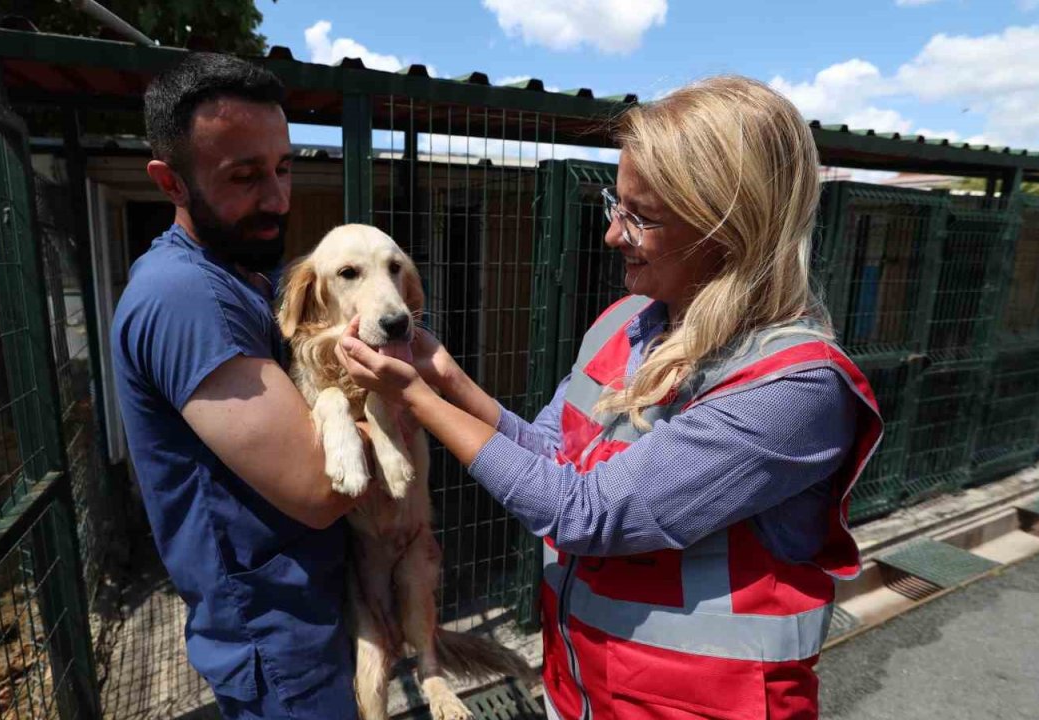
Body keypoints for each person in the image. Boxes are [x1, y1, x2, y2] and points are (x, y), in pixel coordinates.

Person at [336, 75, 884, 720]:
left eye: (640, 217)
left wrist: (420, 403)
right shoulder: (628, 323)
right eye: (613, 203)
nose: (612, 234)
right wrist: (446, 379)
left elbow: (587, 514)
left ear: (726, 229)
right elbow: (550, 454)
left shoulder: (792, 390)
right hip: (585, 689)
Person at [110, 53, 362, 720]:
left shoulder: (243, 271)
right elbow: (320, 485)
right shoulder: (186, 297)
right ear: (170, 182)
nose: (279, 199)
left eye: (283, 167)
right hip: (278, 639)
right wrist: (408, 408)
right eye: (246, 177)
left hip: (311, 613)